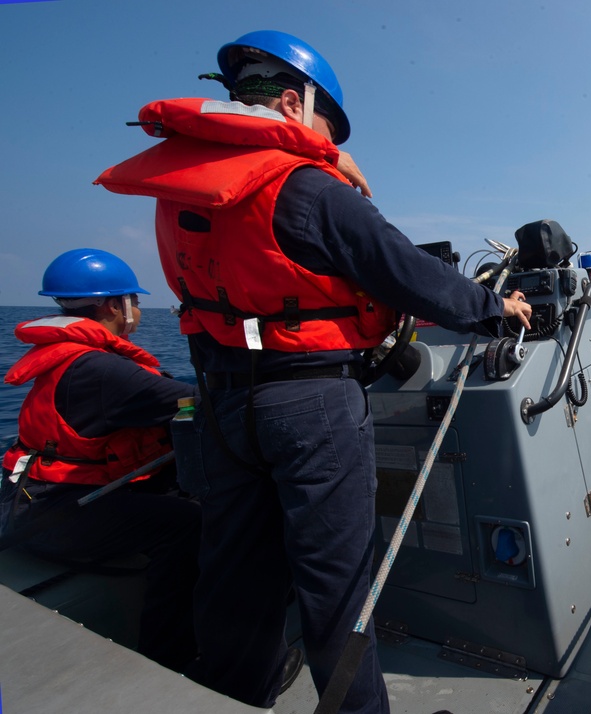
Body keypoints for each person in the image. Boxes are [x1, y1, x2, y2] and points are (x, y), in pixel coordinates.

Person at [96, 30, 532, 711]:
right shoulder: (308, 188)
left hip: (222, 406)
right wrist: (496, 308)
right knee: (336, 589)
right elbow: (407, 273)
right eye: (328, 131)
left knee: (235, 574)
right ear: (295, 106)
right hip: (311, 407)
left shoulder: (183, 192)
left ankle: (236, 697)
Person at [0, 248, 200, 672]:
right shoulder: (104, 370)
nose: (138, 310)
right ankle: (172, 655)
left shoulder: (74, 358)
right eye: (135, 301)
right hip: (55, 517)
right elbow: (198, 402)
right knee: (189, 525)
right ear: (114, 306)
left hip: (30, 503)